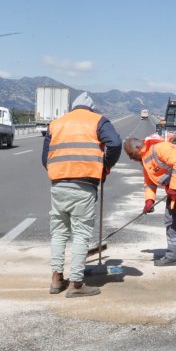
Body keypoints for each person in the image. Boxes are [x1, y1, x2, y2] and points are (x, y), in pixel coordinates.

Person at [43, 91, 122, 297]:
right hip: (84, 184)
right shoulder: (98, 120)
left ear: (73, 107)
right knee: (80, 233)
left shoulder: (57, 123)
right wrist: (105, 166)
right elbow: (114, 143)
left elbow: (45, 157)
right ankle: (76, 284)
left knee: (59, 232)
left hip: (58, 184)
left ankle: (56, 278)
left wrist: (59, 171)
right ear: (91, 108)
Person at [123, 135, 176, 274]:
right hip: (174, 190)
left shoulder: (160, 148)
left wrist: (173, 188)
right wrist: (149, 200)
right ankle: (173, 256)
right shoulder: (145, 159)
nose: (132, 159)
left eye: (132, 154)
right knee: (170, 221)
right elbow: (149, 182)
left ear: (138, 147)